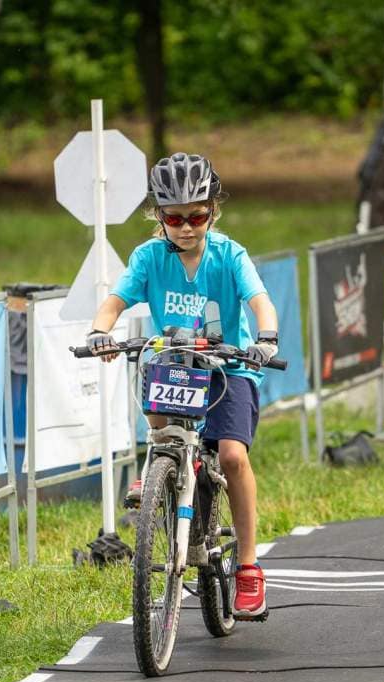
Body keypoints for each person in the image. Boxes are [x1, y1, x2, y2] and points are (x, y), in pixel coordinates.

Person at [86, 152, 279, 620]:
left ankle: (250, 568)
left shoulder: (229, 255)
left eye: (198, 216)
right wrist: (99, 331)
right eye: (175, 217)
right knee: (151, 367)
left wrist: (266, 339)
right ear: (159, 216)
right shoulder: (149, 257)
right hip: (176, 364)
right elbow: (115, 300)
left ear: (213, 212)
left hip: (228, 367)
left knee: (232, 455)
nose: (187, 227)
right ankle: (161, 459)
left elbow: (260, 301)